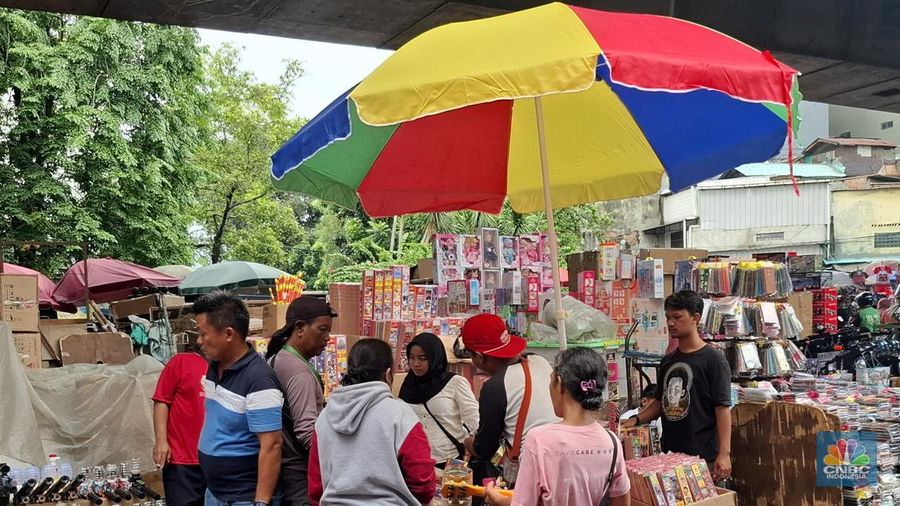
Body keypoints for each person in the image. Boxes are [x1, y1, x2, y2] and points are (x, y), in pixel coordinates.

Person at [484, 348, 630, 506]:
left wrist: (498, 499)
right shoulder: (612, 442)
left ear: (559, 383)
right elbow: (622, 500)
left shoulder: (539, 440)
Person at [307, 338, 436, 505]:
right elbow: (421, 479)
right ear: (388, 374)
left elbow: (316, 485)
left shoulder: (325, 417)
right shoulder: (399, 414)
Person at [621, 290, 732, 482]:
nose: (671, 322)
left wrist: (724, 453)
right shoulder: (668, 360)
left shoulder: (714, 360)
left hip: (704, 456)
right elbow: (659, 402)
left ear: (695, 318)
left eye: (677, 317)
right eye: (668, 317)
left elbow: (722, 408)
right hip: (670, 455)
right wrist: (636, 419)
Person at [194, 292, 284, 506]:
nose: (199, 341)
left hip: (244, 497)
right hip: (215, 493)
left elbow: (271, 445)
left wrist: (260, 502)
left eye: (203, 333)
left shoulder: (259, 380)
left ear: (228, 334)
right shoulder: (215, 367)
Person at [460, 314, 559, 485]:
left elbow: (484, 449)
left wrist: (467, 442)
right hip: (561, 458)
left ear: (479, 356)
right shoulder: (539, 361)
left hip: (533, 472)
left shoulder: (495, 387)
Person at [265, 296, 336, 506]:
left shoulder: (277, 358)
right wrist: (338, 459)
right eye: (322, 329)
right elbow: (306, 431)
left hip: (284, 469)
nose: (328, 338)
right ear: (300, 328)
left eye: (329, 331)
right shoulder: (299, 372)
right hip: (300, 476)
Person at [398, 332, 480, 464]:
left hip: (449, 458)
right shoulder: (408, 385)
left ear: (434, 357)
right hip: (415, 460)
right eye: (411, 358)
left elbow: (473, 417)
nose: (415, 364)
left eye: (422, 358)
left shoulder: (455, 382)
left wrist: (477, 444)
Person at [151, 344, 208, 506]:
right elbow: (161, 400)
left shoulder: (229, 366)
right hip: (181, 461)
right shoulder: (181, 361)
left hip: (216, 461)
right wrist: (161, 441)